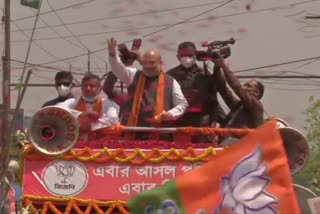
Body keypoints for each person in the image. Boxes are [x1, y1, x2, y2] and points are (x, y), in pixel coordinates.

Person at [107, 37, 188, 141]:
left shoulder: (171, 81)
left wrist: (170, 114)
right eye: (145, 63)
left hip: (160, 133)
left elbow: (182, 104)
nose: (148, 66)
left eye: (152, 63)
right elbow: (117, 68)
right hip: (134, 131)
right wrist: (113, 55)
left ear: (160, 63)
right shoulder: (133, 75)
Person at [167, 41, 225, 143]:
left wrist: (213, 125)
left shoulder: (204, 74)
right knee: (179, 155)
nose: (187, 58)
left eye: (190, 55)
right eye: (183, 55)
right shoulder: (170, 76)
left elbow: (214, 102)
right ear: (178, 56)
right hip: (179, 124)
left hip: (202, 124)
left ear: (195, 55)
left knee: (202, 155)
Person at [212, 56, 264, 130]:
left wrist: (224, 66)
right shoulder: (238, 105)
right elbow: (222, 88)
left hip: (245, 140)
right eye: (244, 85)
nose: (244, 87)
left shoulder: (256, 106)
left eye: (248, 86)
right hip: (227, 140)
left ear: (257, 93)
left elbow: (237, 87)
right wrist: (217, 66)